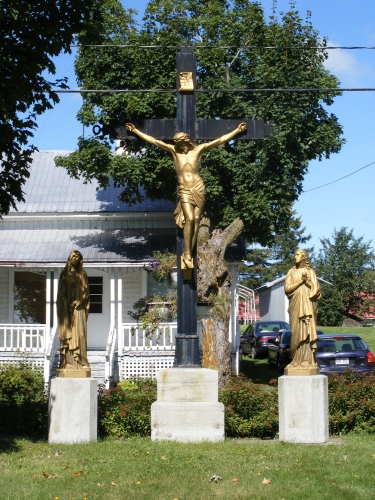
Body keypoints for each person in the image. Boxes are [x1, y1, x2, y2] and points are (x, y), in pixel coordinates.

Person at [125, 122, 247, 268]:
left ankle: (191, 251)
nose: (179, 148)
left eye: (181, 145)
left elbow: (220, 140)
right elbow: (154, 141)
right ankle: (187, 254)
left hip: (198, 188)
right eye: (177, 145)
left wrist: (237, 130)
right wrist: (136, 131)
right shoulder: (174, 151)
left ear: (186, 142)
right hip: (184, 189)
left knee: (196, 219)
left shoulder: (198, 150)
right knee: (189, 218)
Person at [284, 249, 321, 371]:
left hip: (308, 307)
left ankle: (308, 360)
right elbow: (287, 289)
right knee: (296, 332)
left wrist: (308, 282)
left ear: (304, 257)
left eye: (297, 254)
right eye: (294, 254)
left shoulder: (311, 272)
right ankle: (296, 360)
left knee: (308, 332)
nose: (295, 257)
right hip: (295, 306)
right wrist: (301, 281)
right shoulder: (291, 272)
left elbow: (316, 290)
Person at [57, 250, 90, 371]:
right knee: (68, 334)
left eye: (78, 256)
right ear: (70, 258)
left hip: (79, 308)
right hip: (66, 308)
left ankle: (80, 362)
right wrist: (66, 302)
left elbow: (85, 291)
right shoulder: (64, 275)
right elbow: (61, 291)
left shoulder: (83, 274)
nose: (76, 258)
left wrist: (78, 302)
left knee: (80, 333)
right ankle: (68, 362)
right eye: (74, 256)